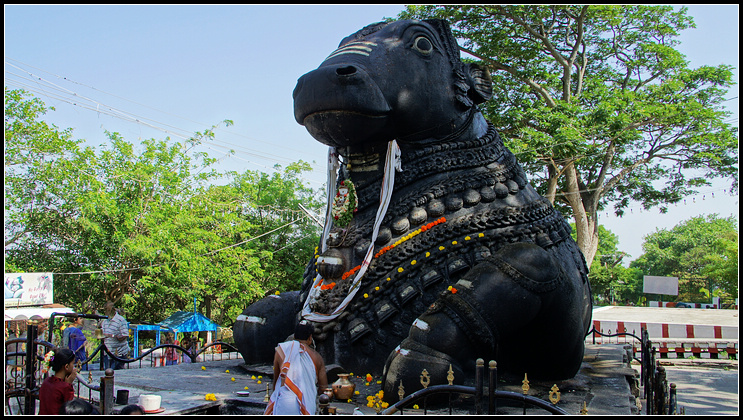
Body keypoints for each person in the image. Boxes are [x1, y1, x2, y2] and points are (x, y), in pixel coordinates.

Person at [264, 320, 328, 415]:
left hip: (284, 402)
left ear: (294, 336)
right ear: (310, 338)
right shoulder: (317, 357)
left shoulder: (281, 351)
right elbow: (323, 388)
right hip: (306, 404)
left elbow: (276, 379)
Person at [38, 348, 77, 415]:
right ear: (66, 366)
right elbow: (69, 409)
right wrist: (69, 384)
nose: (73, 367)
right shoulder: (65, 387)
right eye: (73, 364)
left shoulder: (46, 381)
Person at [100, 302, 130, 370]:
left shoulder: (120, 320)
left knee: (116, 372)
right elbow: (102, 333)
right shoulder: (105, 321)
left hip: (118, 353)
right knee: (107, 372)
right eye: (105, 310)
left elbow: (124, 335)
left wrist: (113, 336)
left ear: (113, 309)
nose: (106, 311)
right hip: (108, 352)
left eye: (107, 309)